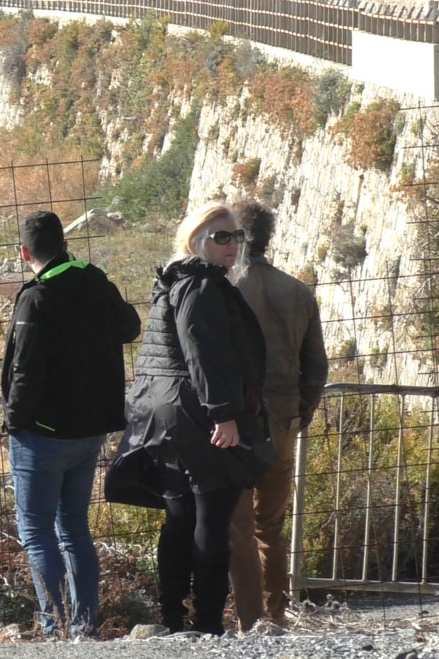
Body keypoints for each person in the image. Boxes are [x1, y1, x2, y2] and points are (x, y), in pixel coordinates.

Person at [108, 202, 269, 636]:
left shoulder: (174, 281)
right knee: (211, 517)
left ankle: (173, 619)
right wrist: (225, 415)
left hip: (163, 414)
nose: (232, 245)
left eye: (237, 236)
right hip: (195, 414)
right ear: (197, 240)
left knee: (179, 517)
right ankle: (208, 622)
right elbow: (205, 354)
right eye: (221, 237)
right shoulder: (200, 286)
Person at [1, 210, 141, 636]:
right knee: (74, 530)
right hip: (90, 431)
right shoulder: (95, 280)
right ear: (65, 243)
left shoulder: (36, 298)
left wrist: (13, 420)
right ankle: (83, 628)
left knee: (38, 532)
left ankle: (55, 627)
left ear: (24, 252)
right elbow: (130, 326)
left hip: (42, 435)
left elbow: (25, 371)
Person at [227, 197, 328, 631]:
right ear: (269, 238)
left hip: (235, 421)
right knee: (271, 525)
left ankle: (247, 618)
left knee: (236, 524)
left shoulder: (227, 291)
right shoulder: (297, 291)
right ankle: (276, 616)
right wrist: (300, 412)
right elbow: (316, 365)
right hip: (284, 418)